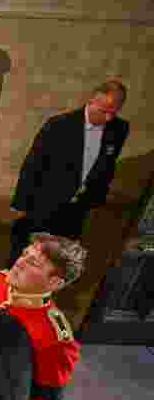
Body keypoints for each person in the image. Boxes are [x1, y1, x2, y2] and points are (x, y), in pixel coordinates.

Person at [8, 79, 129, 268]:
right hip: (45, 202)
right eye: (103, 111)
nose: (108, 118)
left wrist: (96, 198)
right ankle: (9, 290)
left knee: (57, 261)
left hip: (77, 209)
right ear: (91, 101)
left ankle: (42, 294)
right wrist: (21, 202)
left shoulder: (120, 129)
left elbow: (107, 165)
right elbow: (33, 164)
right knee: (25, 254)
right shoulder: (59, 125)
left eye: (113, 113)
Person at [0, 233, 85, 400]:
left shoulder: (55, 338)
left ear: (54, 283)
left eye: (33, 263)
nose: (19, 262)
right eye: (24, 253)